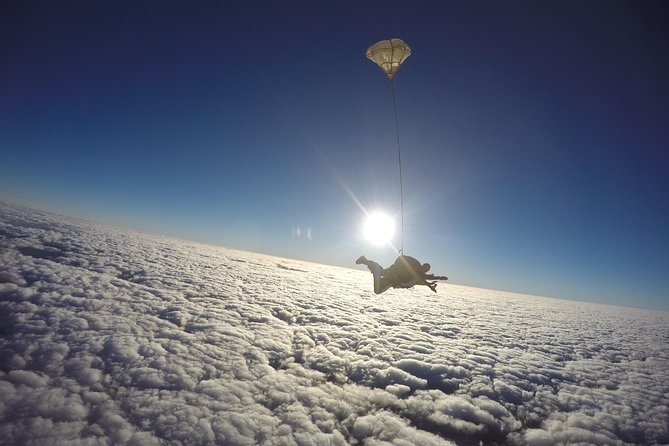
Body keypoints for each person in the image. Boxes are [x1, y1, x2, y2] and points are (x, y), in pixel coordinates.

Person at [356, 254, 446, 294]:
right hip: (392, 278)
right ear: (422, 266)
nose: (424, 270)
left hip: (393, 277)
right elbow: (426, 278)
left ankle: (365, 260)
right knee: (377, 290)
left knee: (381, 272)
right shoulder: (415, 268)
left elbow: (425, 279)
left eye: (426, 270)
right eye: (424, 268)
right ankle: (373, 267)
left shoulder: (419, 274)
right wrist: (440, 278)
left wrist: (432, 285)